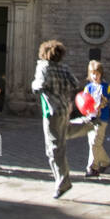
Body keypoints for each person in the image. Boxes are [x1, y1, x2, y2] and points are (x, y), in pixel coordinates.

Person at [31, 39, 85, 199]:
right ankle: (88, 124)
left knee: (54, 148)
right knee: (63, 135)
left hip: (51, 110)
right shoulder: (64, 67)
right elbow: (75, 83)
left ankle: (63, 182)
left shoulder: (43, 66)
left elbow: (38, 86)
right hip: (64, 108)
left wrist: (34, 84)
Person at [82, 60, 110, 177]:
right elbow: (84, 102)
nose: (95, 76)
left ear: (101, 74)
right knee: (93, 142)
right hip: (90, 118)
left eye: (97, 73)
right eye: (93, 73)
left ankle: (92, 167)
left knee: (95, 142)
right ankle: (105, 162)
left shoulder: (107, 87)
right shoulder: (88, 88)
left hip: (102, 118)